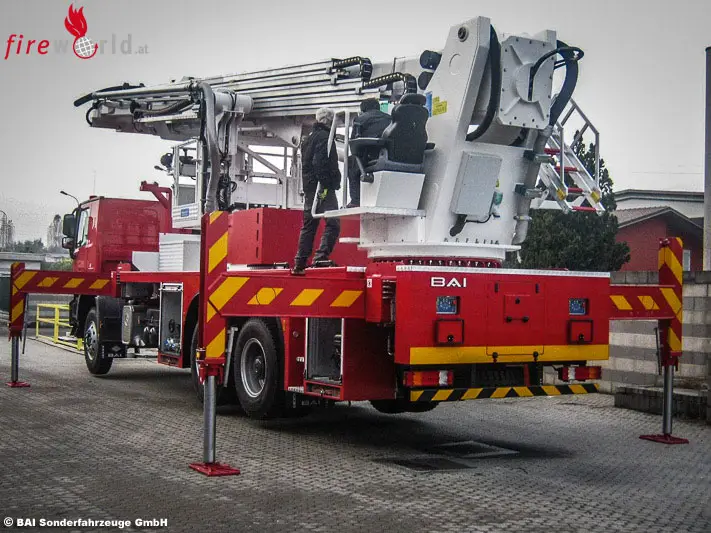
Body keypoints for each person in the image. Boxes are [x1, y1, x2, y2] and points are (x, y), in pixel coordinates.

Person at [293, 107, 341, 275]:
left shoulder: (308, 139)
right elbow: (320, 163)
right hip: (323, 189)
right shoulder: (325, 138)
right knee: (333, 223)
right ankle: (320, 257)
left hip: (310, 188)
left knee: (309, 225)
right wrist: (331, 183)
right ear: (329, 121)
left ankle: (300, 262)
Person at [347, 98, 392, 207]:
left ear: (363, 110)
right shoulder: (390, 118)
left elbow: (353, 144)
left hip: (371, 157)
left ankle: (356, 200)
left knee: (352, 161)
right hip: (390, 155)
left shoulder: (360, 119)